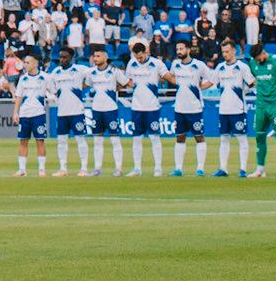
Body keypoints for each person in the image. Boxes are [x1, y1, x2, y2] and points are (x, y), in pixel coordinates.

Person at [121, 39, 168, 177]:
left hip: (152, 107)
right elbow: (129, 82)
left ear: (146, 52)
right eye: (136, 57)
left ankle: (158, 168)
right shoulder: (132, 64)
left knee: (154, 137)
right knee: (136, 138)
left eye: (141, 57)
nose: (139, 60)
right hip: (136, 107)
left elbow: (166, 77)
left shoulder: (156, 63)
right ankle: (137, 168)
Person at [166, 40, 210, 177]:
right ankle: (178, 169)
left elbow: (212, 78)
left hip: (195, 108)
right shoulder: (175, 64)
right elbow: (172, 78)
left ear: (188, 50)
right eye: (177, 49)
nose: (179, 51)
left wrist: (201, 87)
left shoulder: (199, 65)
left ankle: (200, 168)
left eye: (181, 49)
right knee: (180, 138)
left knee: (199, 137)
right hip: (179, 107)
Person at [247, 43, 276, 178]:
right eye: (255, 59)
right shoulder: (252, 63)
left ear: (263, 52)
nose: (257, 61)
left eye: (258, 58)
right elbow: (252, 79)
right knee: (259, 136)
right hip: (260, 105)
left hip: (275, 105)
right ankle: (260, 170)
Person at [211, 40, 254, 178]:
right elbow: (212, 83)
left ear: (234, 51)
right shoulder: (220, 67)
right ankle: (223, 169)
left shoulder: (242, 67)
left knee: (242, 138)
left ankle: (243, 169)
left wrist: (244, 91)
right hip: (224, 109)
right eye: (223, 52)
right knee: (224, 139)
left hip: (238, 109)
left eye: (227, 51)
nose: (225, 54)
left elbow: (252, 83)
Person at [83, 46, 124, 177]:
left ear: (105, 57)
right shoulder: (91, 72)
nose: (95, 58)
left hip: (110, 109)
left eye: (98, 56)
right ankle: (97, 168)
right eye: (94, 56)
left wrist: (115, 89)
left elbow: (125, 83)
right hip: (96, 109)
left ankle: (118, 168)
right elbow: (87, 85)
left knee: (114, 140)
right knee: (97, 141)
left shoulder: (114, 71)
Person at [50, 50, 89, 177]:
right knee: (61, 141)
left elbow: (93, 74)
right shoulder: (55, 72)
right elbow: (52, 89)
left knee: (80, 140)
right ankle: (63, 168)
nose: (62, 59)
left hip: (77, 111)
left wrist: (83, 86)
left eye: (65, 57)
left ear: (71, 58)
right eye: (60, 57)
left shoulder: (80, 69)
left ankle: (83, 168)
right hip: (62, 112)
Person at [11, 52, 49, 178]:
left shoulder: (45, 77)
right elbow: (18, 96)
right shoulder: (23, 78)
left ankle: (42, 169)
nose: (25, 64)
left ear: (34, 63)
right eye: (25, 62)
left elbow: (53, 90)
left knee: (40, 141)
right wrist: (15, 112)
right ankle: (22, 170)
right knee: (23, 141)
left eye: (27, 62)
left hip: (38, 114)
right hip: (24, 114)